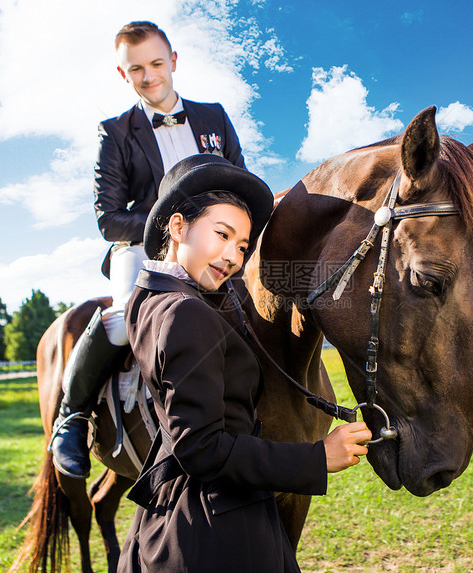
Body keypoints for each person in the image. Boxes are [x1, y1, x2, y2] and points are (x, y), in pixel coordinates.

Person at [116, 154, 372, 573]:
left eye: (242, 246)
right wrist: (316, 458)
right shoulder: (186, 313)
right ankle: (74, 415)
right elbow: (199, 448)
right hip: (218, 534)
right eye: (222, 234)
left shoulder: (149, 298)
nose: (233, 256)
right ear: (177, 227)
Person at [50, 21, 246, 479]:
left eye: (157, 63)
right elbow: (108, 218)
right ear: (124, 75)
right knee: (122, 319)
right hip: (140, 246)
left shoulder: (214, 117)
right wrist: (170, 228)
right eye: (135, 69)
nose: (149, 76)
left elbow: (240, 183)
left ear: (173, 62)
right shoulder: (115, 132)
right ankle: (72, 417)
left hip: (214, 243)